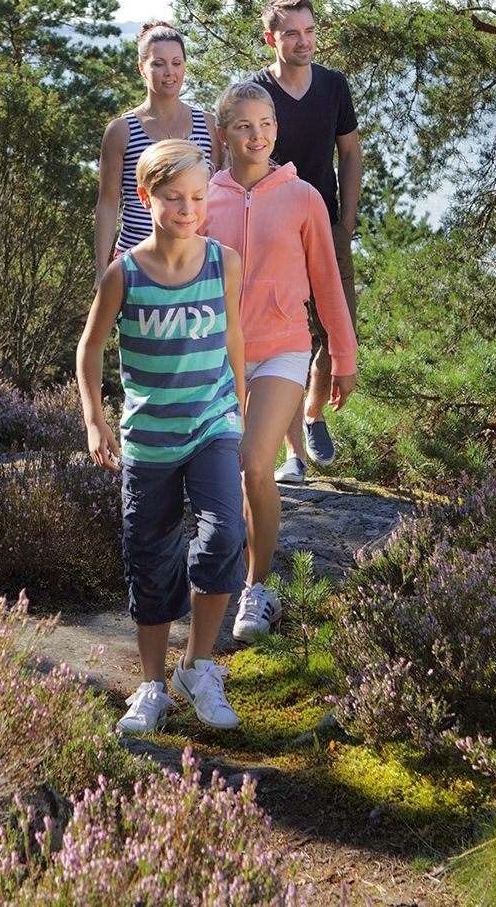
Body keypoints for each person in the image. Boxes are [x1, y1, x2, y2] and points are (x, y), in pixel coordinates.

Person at [77, 138, 247, 734]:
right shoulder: (123, 275)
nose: (188, 209)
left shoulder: (225, 262)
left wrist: (241, 412)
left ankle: (198, 667)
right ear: (146, 197)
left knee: (225, 535)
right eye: (174, 198)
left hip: (213, 424)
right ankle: (152, 685)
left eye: (198, 197)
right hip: (148, 439)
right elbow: (90, 348)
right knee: (149, 558)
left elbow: (234, 343)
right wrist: (96, 419)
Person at [203, 82, 356, 643]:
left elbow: (328, 282)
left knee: (253, 462)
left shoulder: (303, 198)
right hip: (217, 355)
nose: (257, 134)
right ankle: (223, 570)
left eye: (265, 123)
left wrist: (343, 354)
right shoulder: (206, 199)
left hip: (285, 348)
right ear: (223, 133)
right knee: (219, 476)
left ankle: (256, 590)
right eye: (243, 125)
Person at [252, 0, 361, 483]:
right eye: (292, 33)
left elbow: (351, 155)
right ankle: (292, 453)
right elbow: (232, 156)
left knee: (340, 332)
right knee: (283, 338)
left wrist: (346, 223)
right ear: (271, 38)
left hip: (327, 228)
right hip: (275, 234)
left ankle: (314, 413)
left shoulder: (334, 86)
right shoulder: (256, 92)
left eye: (310, 31)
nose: (303, 41)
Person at [94, 21, 222, 282]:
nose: (169, 72)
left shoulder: (208, 125)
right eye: (158, 63)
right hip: (135, 261)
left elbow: (217, 195)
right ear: (142, 68)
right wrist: (101, 271)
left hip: (194, 262)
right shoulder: (121, 130)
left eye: (177, 62)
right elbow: (108, 203)